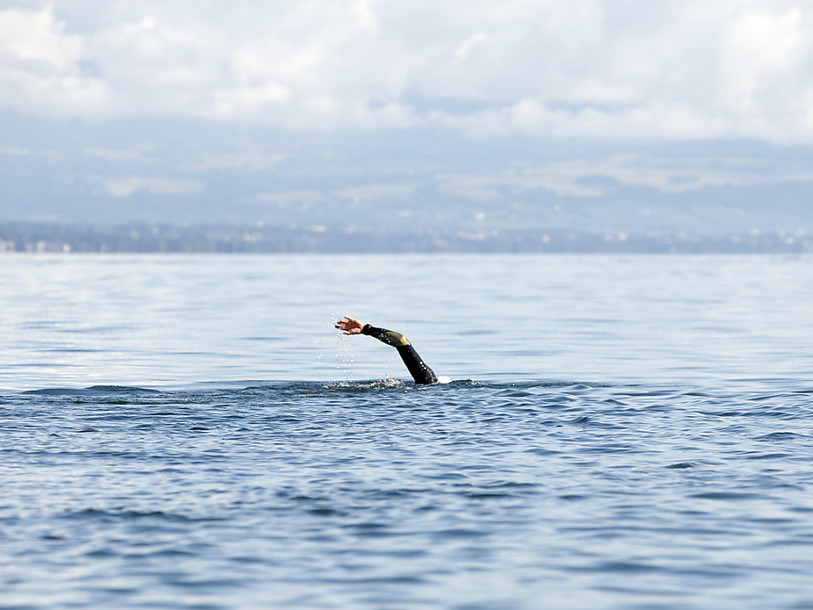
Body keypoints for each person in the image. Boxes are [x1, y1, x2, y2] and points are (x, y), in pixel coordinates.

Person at [335, 316, 438, 384]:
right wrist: (366, 329)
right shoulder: (429, 382)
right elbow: (401, 341)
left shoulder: (428, 381)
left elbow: (401, 341)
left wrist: (366, 329)